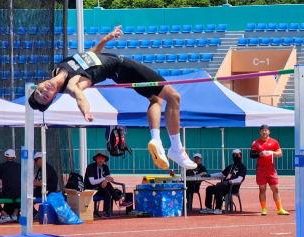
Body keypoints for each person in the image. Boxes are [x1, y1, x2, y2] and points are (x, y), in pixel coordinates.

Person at [27, 25, 195, 171]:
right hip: (125, 68)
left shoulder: (58, 69)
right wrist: (85, 112)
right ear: (53, 97)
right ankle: (176, 148)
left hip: (121, 70)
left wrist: (108, 38)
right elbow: (79, 97)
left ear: (39, 84)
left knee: (156, 100)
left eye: (39, 91)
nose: (44, 91)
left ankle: (156, 140)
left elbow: (89, 55)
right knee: (174, 97)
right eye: (45, 97)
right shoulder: (72, 85)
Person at [250, 124, 289, 216]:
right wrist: (260, 154)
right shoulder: (256, 142)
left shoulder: (274, 141)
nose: (264, 132)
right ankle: (264, 209)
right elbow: (251, 155)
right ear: (260, 132)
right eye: (262, 130)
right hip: (260, 168)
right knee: (262, 189)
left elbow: (280, 153)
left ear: (269, 132)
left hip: (271, 168)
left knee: (275, 188)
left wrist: (272, 152)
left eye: (266, 130)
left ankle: (279, 209)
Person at [200, 149, 247, 215]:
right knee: (209, 189)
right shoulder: (230, 167)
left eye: (237, 155)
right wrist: (210, 175)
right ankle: (209, 208)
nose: (235, 157)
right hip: (224, 186)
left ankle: (218, 208)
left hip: (232, 187)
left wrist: (229, 182)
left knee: (219, 188)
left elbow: (239, 179)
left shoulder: (243, 168)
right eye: (234, 155)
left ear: (241, 156)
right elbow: (221, 174)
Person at [84, 151, 120, 219]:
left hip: (101, 188)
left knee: (107, 191)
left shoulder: (105, 167)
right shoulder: (90, 167)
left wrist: (105, 180)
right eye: (99, 158)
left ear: (104, 160)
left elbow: (108, 179)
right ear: (96, 159)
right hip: (90, 189)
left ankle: (105, 212)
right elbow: (92, 182)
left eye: (102, 158)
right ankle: (118, 199)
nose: (100, 159)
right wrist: (105, 179)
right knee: (107, 186)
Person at [0, 149, 21, 223]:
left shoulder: (2, 166)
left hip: (7, 194)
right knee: (20, 193)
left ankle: (4, 215)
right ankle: (15, 214)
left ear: (6, 158)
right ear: (14, 158)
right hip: (19, 194)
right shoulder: (20, 166)